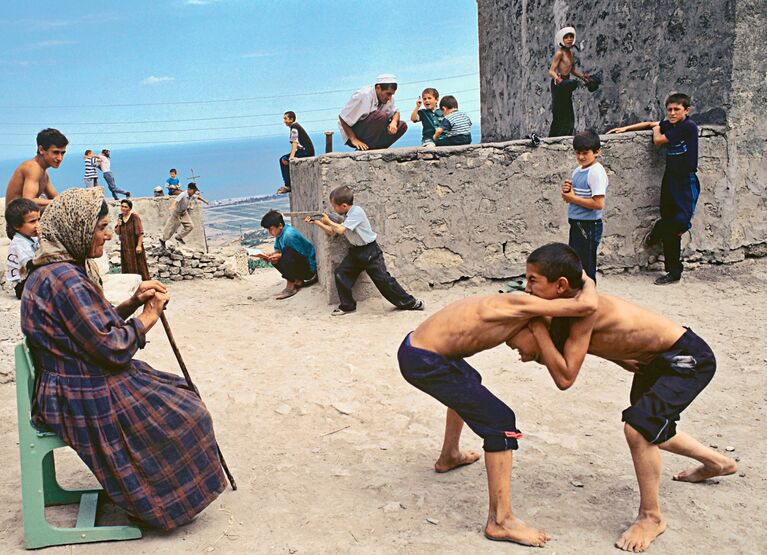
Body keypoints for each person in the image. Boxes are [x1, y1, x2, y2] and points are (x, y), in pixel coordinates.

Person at [506, 242, 737, 552]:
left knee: (639, 428)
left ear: (561, 285)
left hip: (687, 358)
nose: (527, 287)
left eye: (533, 280)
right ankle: (717, 462)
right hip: (653, 361)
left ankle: (651, 518)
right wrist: (619, 357)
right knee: (653, 428)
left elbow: (564, 378)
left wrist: (536, 328)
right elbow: (598, 339)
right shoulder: (570, 301)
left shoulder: (582, 309)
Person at [20, 187, 226, 530]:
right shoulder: (66, 280)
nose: (108, 233)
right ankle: (157, 503)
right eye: (101, 226)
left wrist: (131, 303)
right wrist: (150, 315)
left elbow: (88, 329)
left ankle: (158, 491)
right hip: (79, 391)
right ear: (78, 229)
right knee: (187, 415)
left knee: (177, 390)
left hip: (74, 380)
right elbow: (112, 347)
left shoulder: (57, 271)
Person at [398, 252, 598, 547]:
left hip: (420, 350)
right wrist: (586, 280)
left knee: (470, 384)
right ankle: (500, 521)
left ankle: (449, 455)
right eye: (528, 279)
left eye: (534, 280)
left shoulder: (521, 307)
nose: (528, 286)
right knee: (500, 421)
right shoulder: (521, 304)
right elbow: (588, 305)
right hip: (424, 360)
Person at [607, 93, 699, 285]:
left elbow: (658, 139)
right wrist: (625, 128)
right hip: (669, 180)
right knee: (670, 224)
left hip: (685, 182)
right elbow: (650, 124)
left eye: (677, 110)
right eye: (669, 110)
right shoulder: (672, 124)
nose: (672, 113)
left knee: (680, 224)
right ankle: (674, 271)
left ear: (687, 110)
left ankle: (658, 232)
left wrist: (658, 127)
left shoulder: (688, 127)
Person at [306, 185, 423, 315]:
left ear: (344, 205)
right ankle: (348, 305)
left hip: (370, 252)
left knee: (384, 281)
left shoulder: (357, 212)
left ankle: (411, 303)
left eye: (334, 206)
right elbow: (333, 233)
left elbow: (340, 229)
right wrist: (317, 222)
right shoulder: (345, 215)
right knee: (341, 273)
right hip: (356, 252)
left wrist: (328, 220)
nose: (333, 208)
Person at [561, 130, 608, 281]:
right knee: (576, 264)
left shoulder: (596, 172)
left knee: (587, 268)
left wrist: (572, 198)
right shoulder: (578, 170)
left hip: (589, 225)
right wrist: (568, 192)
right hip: (577, 222)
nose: (581, 157)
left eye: (585, 153)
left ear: (596, 152)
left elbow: (598, 204)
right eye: (578, 153)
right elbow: (571, 199)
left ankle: (590, 299)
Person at [257, 210, 318, 299]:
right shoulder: (280, 234)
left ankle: (291, 287)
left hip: (309, 273)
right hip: (299, 268)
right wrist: (269, 256)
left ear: (280, 226)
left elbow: (300, 255)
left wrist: (280, 255)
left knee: (287, 252)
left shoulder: (289, 235)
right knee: (275, 260)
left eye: (271, 229)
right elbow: (278, 250)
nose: (269, 232)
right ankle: (297, 281)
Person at [338, 74, 407, 151]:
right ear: (378, 88)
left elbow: (396, 112)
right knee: (381, 116)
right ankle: (364, 149)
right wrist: (353, 139)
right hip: (353, 134)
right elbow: (342, 117)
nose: (389, 98)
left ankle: (376, 149)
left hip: (373, 134)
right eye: (388, 94)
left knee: (402, 126)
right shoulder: (363, 95)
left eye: (392, 94)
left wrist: (393, 122)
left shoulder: (389, 99)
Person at [4, 128, 66, 210]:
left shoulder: (43, 173)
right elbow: (28, 201)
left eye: (62, 153)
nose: (60, 158)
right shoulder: (33, 168)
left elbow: (56, 197)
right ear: (41, 150)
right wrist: (58, 202)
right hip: (17, 220)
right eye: (55, 152)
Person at [548, 27, 593, 137]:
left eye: (571, 37)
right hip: (559, 84)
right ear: (561, 39)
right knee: (559, 110)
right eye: (566, 37)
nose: (569, 39)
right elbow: (551, 71)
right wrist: (558, 79)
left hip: (566, 82)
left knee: (568, 109)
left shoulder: (571, 54)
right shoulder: (559, 53)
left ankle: (567, 133)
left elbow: (572, 69)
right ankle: (555, 136)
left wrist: (583, 77)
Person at [4, 198, 40, 298]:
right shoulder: (18, 243)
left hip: (31, 278)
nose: (38, 225)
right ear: (16, 225)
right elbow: (31, 266)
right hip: (22, 285)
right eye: (32, 221)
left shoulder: (32, 238)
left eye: (39, 220)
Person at [276, 111, 316, 195]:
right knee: (283, 159)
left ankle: (288, 185)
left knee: (283, 160)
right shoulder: (295, 126)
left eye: (285, 118)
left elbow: (294, 142)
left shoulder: (294, 127)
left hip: (305, 151)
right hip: (305, 150)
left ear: (291, 119)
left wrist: (291, 156)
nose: (284, 121)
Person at [160, 182, 206, 247]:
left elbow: (198, 197)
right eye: (194, 191)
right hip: (176, 213)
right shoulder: (183, 194)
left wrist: (205, 201)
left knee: (190, 226)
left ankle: (179, 237)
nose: (194, 192)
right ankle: (163, 240)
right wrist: (172, 206)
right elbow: (176, 200)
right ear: (189, 189)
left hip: (184, 213)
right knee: (172, 228)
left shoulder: (191, 195)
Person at [114, 199, 148, 276]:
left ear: (130, 208)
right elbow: (117, 232)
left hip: (135, 245)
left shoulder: (134, 217)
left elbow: (140, 233)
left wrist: (139, 246)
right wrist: (119, 224)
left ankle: (142, 284)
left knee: (139, 265)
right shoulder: (120, 217)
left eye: (125, 207)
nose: (123, 208)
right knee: (127, 265)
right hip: (125, 247)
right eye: (122, 206)